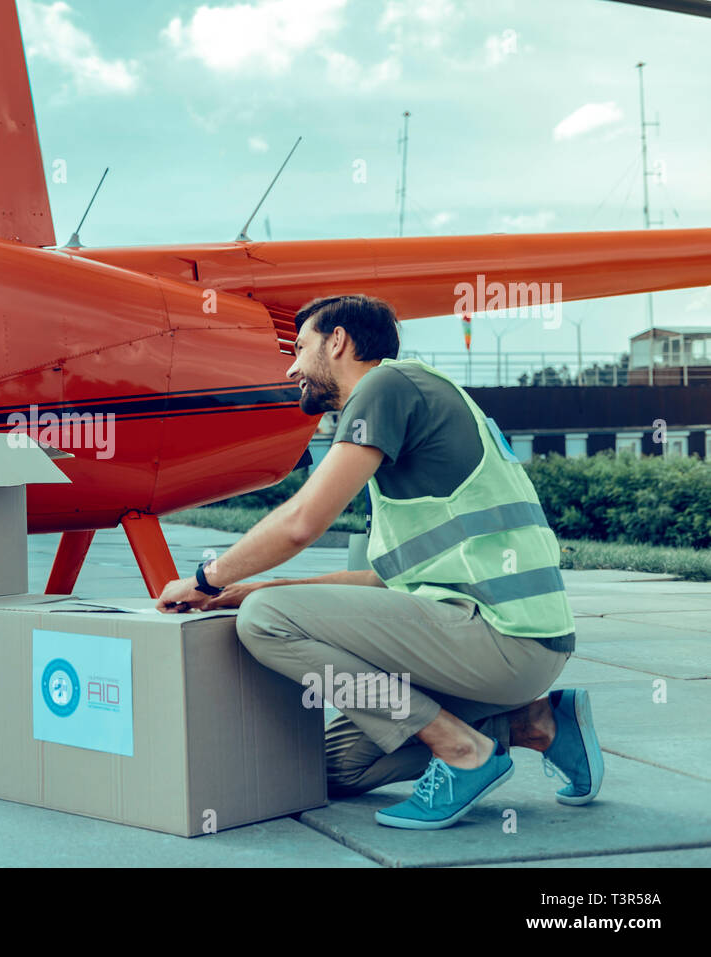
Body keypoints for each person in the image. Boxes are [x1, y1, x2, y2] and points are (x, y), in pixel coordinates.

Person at [155, 294, 603, 829]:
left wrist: (206, 581)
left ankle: (461, 750)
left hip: (502, 639)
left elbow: (302, 522)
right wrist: (267, 585)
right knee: (331, 768)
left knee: (265, 623)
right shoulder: (409, 419)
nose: (292, 366)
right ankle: (537, 723)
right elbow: (383, 579)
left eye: (300, 348)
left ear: (338, 341)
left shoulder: (386, 386)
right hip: (499, 646)